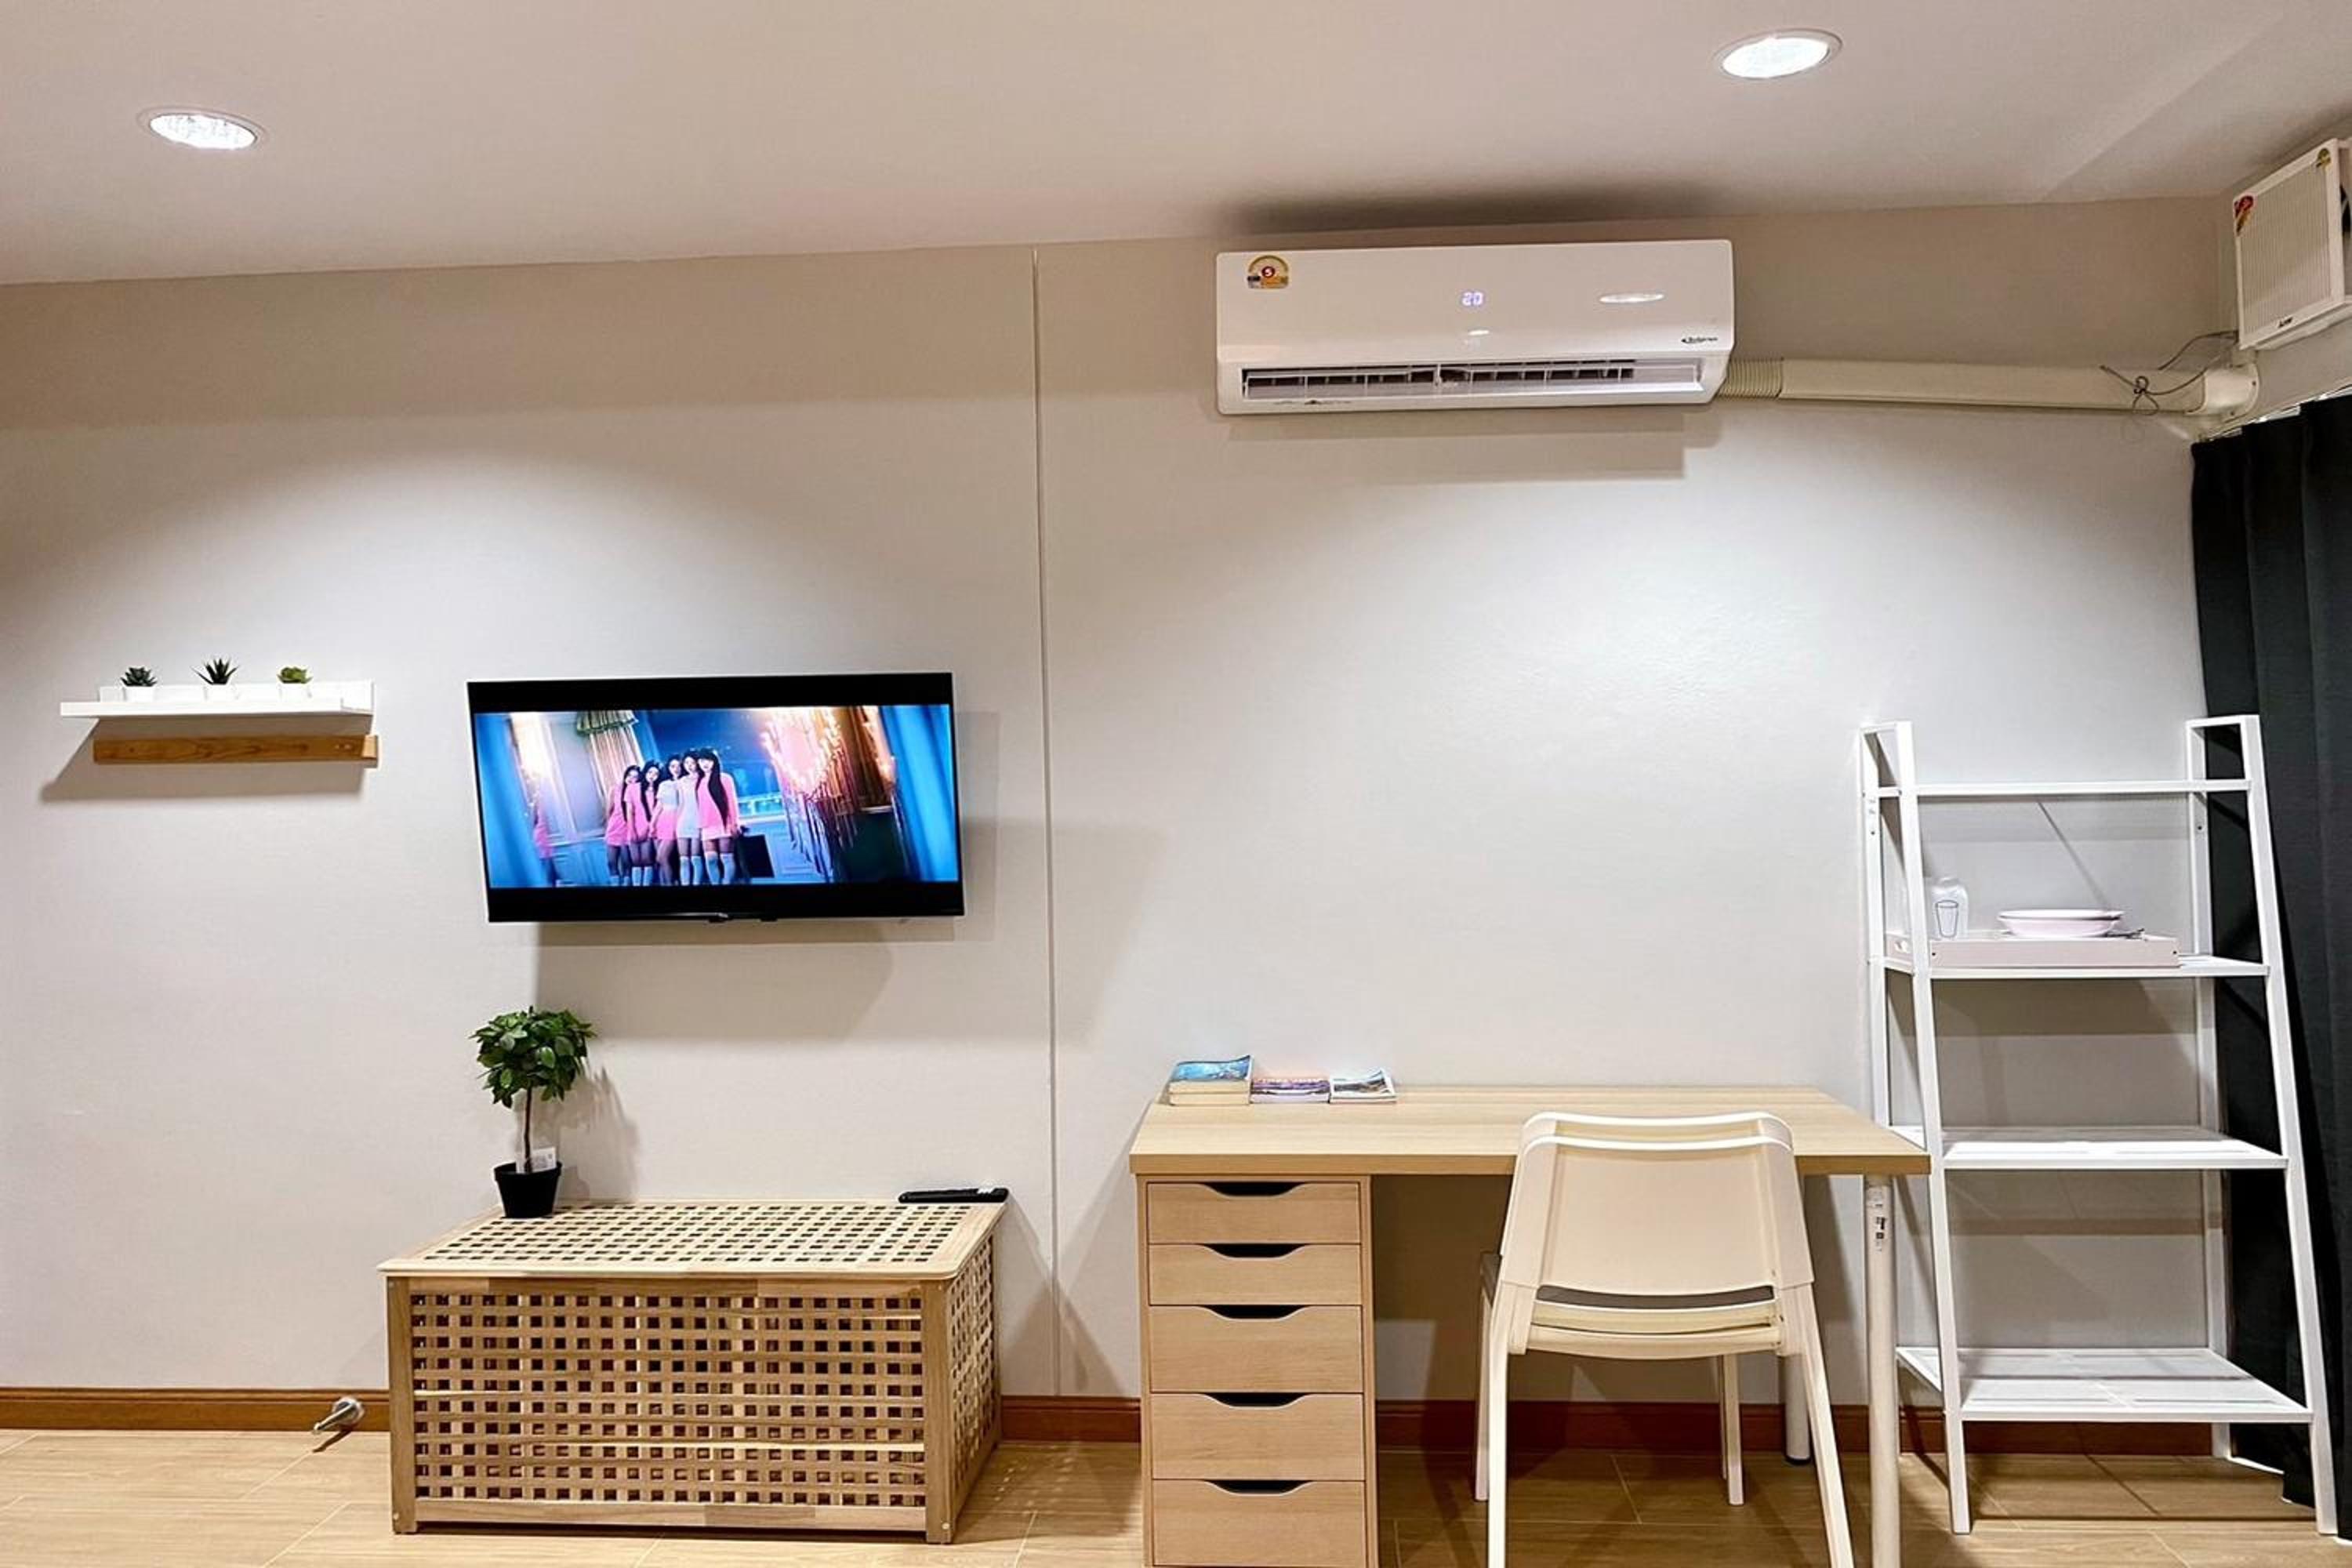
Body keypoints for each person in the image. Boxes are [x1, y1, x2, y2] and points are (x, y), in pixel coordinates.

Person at [694, 748, 742, 885]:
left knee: (726, 858)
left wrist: (735, 823)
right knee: (710, 860)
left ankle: (727, 882)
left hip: (724, 823)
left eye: (708, 760)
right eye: (702, 761)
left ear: (714, 761)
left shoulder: (725, 778)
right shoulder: (699, 782)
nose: (705, 764)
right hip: (706, 826)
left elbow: (732, 802)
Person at [652, 754, 687, 887]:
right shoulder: (664, 784)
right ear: (668, 768)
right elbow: (659, 806)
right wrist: (652, 824)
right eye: (673, 766)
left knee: (662, 856)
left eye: (678, 766)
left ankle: (671, 882)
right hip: (662, 820)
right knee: (661, 859)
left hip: (676, 819)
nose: (676, 769)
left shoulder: (685, 782)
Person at [672, 752, 703, 885]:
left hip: (698, 820)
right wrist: (676, 823)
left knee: (696, 858)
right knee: (684, 860)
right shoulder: (681, 781)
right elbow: (681, 803)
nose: (689, 766)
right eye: (686, 763)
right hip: (683, 821)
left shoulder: (702, 778)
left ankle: (696, 883)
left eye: (692, 763)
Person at [602, 767, 635, 885]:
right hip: (614, 827)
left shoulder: (636, 791)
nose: (631, 779)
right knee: (611, 862)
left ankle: (627, 884)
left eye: (635, 777)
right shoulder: (615, 789)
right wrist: (608, 829)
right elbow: (609, 810)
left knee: (627, 863)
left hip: (627, 828)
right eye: (629, 775)